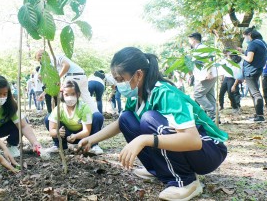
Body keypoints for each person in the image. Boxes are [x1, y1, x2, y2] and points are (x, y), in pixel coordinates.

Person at [78, 47, 228, 201]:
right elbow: (119, 124)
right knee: (126, 118)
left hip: (209, 150)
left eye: (121, 79)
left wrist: (144, 139)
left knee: (150, 119)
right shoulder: (136, 97)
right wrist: (92, 139)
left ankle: (185, 181)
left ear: (138, 74)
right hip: (194, 148)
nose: (118, 85)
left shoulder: (165, 93)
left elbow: (193, 141)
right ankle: (159, 170)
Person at [45, 80, 104, 155]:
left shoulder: (84, 107)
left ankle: (94, 145)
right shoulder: (59, 108)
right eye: (66, 94)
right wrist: (57, 132)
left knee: (97, 116)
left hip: (82, 136)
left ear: (78, 94)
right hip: (65, 134)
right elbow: (52, 131)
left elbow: (86, 131)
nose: (70, 97)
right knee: (48, 118)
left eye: (73, 94)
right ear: (62, 95)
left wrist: (76, 136)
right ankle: (59, 146)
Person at [35, 49, 100, 115]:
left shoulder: (54, 58)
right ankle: (97, 117)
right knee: (87, 99)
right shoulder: (50, 66)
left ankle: (71, 119)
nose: (41, 59)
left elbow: (66, 65)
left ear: (46, 55)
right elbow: (55, 84)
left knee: (66, 99)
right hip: (82, 76)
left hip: (72, 76)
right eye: (39, 59)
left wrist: (57, 78)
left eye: (41, 56)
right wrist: (43, 94)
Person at [188, 32, 218, 121]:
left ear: (193, 39)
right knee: (210, 95)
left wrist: (209, 73)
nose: (189, 42)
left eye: (189, 39)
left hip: (207, 75)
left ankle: (211, 112)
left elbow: (209, 60)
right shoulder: (196, 49)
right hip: (205, 75)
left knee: (198, 94)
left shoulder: (202, 48)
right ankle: (215, 117)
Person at [240, 28, 266, 122]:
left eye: (245, 36)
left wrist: (241, 55)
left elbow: (249, 59)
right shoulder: (262, 43)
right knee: (253, 92)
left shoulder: (253, 44)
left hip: (251, 71)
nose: (245, 39)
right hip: (258, 69)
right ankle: (257, 114)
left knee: (255, 93)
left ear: (249, 34)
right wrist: (244, 52)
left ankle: (260, 115)